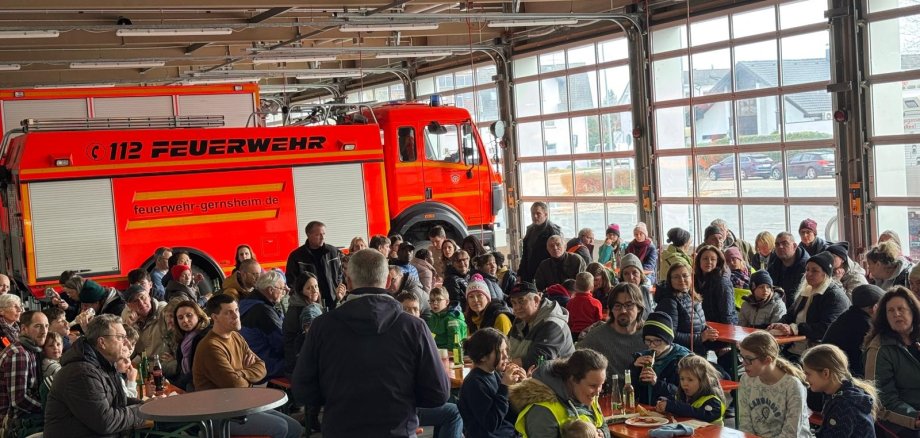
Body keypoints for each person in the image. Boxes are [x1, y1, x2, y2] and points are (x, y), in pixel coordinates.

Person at [292, 249, 450, 437]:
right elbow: (438, 394)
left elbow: (303, 390)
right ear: (389, 282)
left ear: (348, 282)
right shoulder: (414, 327)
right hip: (398, 430)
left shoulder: (321, 327)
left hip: (341, 430)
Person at [193, 295, 302, 438]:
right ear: (215, 317)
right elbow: (235, 384)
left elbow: (262, 367)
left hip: (242, 405)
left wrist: (240, 373)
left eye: (236, 310)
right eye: (228, 312)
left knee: (295, 428)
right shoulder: (211, 346)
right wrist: (246, 372)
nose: (236, 316)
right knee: (280, 427)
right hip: (220, 414)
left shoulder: (236, 336)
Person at [44, 314, 146, 438]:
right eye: (120, 337)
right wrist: (142, 411)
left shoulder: (103, 364)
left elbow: (117, 401)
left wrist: (146, 405)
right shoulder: (81, 373)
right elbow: (105, 422)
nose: (127, 343)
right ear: (102, 342)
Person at [509, 349, 610, 438]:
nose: (598, 392)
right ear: (573, 379)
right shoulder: (542, 411)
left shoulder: (586, 394)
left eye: (601, 385)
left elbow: (602, 425)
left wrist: (601, 433)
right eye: (592, 386)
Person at [769, 251, 849, 359]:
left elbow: (826, 328)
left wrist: (795, 329)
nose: (809, 274)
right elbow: (790, 316)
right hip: (795, 349)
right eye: (807, 270)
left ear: (825, 274)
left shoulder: (834, 296)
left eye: (815, 271)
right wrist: (778, 324)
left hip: (819, 354)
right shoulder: (806, 291)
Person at [863, 287, 920, 436]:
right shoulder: (879, 349)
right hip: (900, 418)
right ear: (885, 317)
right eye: (891, 311)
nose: (896, 314)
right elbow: (880, 401)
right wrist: (914, 418)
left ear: (912, 311)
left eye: (901, 309)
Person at [737, 331, 811, 438]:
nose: (743, 363)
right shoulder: (746, 379)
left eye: (748, 359)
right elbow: (745, 422)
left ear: (767, 360)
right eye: (742, 357)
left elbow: (791, 432)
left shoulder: (792, 385)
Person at [458, 328, 525, 437]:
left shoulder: (494, 373)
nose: (506, 356)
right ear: (483, 356)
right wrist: (505, 386)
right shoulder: (474, 383)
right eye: (500, 352)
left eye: (506, 351)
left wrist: (521, 386)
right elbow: (491, 424)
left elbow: (509, 414)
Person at [801, 344, 878, 438]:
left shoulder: (844, 405)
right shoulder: (840, 392)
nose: (805, 378)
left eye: (808, 374)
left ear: (826, 373)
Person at [577, 283, 648, 382]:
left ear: (639, 308)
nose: (623, 310)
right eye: (617, 305)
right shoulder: (597, 337)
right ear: (611, 309)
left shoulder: (650, 336)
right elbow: (574, 362)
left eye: (629, 305)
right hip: (608, 395)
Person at [0, 311, 47, 435]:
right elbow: (19, 400)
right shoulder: (18, 353)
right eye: (38, 326)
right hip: (14, 424)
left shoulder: (31, 350)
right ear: (24, 329)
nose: (44, 331)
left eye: (46, 326)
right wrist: (49, 407)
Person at [507, 282, 574, 369]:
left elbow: (538, 360)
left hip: (556, 379)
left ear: (536, 300)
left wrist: (503, 365)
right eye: (514, 303)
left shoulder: (552, 324)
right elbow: (505, 345)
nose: (517, 308)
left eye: (521, 301)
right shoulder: (520, 319)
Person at [655, 263, 718, 355]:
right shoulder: (669, 302)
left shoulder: (691, 296)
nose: (681, 280)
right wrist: (701, 337)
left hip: (696, 351)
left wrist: (706, 330)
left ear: (691, 278)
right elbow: (670, 335)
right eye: (676, 277)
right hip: (681, 355)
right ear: (670, 280)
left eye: (685, 275)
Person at [823, 284, 884, 378]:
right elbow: (859, 363)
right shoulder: (864, 325)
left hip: (828, 371)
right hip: (840, 377)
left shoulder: (848, 317)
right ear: (875, 308)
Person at [631, 311, 691, 405]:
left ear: (668, 341)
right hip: (648, 413)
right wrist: (634, 369)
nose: (652, 345)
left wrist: (657, 383)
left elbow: (685, 394)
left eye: (657, 341)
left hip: (674, 413)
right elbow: (633, 392)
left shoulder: (683, 360)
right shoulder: (641, 357)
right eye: (648, 340)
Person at [285, 220, 345, 310]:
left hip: (333, 302)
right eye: (318, 235)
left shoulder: (333, 252)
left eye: (324, 234)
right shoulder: (296, 256)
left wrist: (337, 290)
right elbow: (292, 282)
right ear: (308, 235)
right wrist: (304, 299)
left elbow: (340, 274)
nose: (322, 237)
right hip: (310, 305)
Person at [239, 270, 287, 380]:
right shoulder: (264, 312)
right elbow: (281, 343)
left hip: (249, 360)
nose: (284, 292)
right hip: (265, 363)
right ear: (270, 290)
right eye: (281, 289)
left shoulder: (245, 303)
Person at [655, 355, 727, 425]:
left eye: (690, 380)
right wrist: (664, 403)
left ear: (703, 381)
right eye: (682, 379)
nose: (684, 383)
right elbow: (675, 401)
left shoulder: (714, 402)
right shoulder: (682, 396)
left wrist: (672, 406)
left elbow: (699, 414)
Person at [121, 284, 174, 376]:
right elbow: (127, 353)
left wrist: (176, 357)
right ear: (129, 306)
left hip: (164, 365)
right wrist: (129, 328)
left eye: (143, 297)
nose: (141, 303)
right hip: (145, 366)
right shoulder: (127, 318)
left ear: (149, 296)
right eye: (135, 301)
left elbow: (177, 335)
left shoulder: (164, 311)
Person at [283, 272, 323, 376]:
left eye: (316, 286)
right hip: (299, 366)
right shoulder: (308, 311)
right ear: (301, 291)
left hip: (294, 362)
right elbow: (314, 339)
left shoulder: (297, 304)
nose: (314, 290)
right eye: (309, 288)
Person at [171, 300, 209, 392]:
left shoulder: (205, 336)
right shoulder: (184, 338)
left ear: (199, 316)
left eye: (189, 315)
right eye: (180, 318)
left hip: (203, 386)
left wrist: (176, 385)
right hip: (187, 382)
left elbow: (198, 370)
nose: (185, 320)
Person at [694, 245, 738, 325]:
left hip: (721, 325)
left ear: (718, 262)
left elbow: (727, 313)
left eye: (713, 259)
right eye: (705, 259)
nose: (709, 262)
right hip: (703, 325)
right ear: (699, 261)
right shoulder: (695, 280)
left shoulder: (722, 282)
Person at [519, 202, 562, 282]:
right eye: (533, 214)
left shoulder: (553, 231)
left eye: (538, 213)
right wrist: (520, 273)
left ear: (545, 214)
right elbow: (525, 254)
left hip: (545, 274)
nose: (535, 216)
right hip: (529, 272)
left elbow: (557, 257)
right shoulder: (530, 229)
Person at [767, 232, 811, 310]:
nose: (780, 247)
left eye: (785, 243)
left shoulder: (807, 267)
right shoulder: (774, 264)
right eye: (777, 244)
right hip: (776, 308)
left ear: (794, 246)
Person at [427, 286, 468, 352]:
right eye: (432, 300)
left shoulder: (452, 320)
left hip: (451, 355)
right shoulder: (432, 317)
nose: (435, 303)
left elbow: (454, 346)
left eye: (438, 300)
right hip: (435, 352)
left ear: (447, 302)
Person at [566, 272, 602, 339]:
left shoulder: (570, 302)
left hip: (574, 334)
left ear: (575, 286)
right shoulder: (596, 303)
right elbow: (598, 322)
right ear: (592, 286)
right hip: (590, 334)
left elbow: (569, 321)